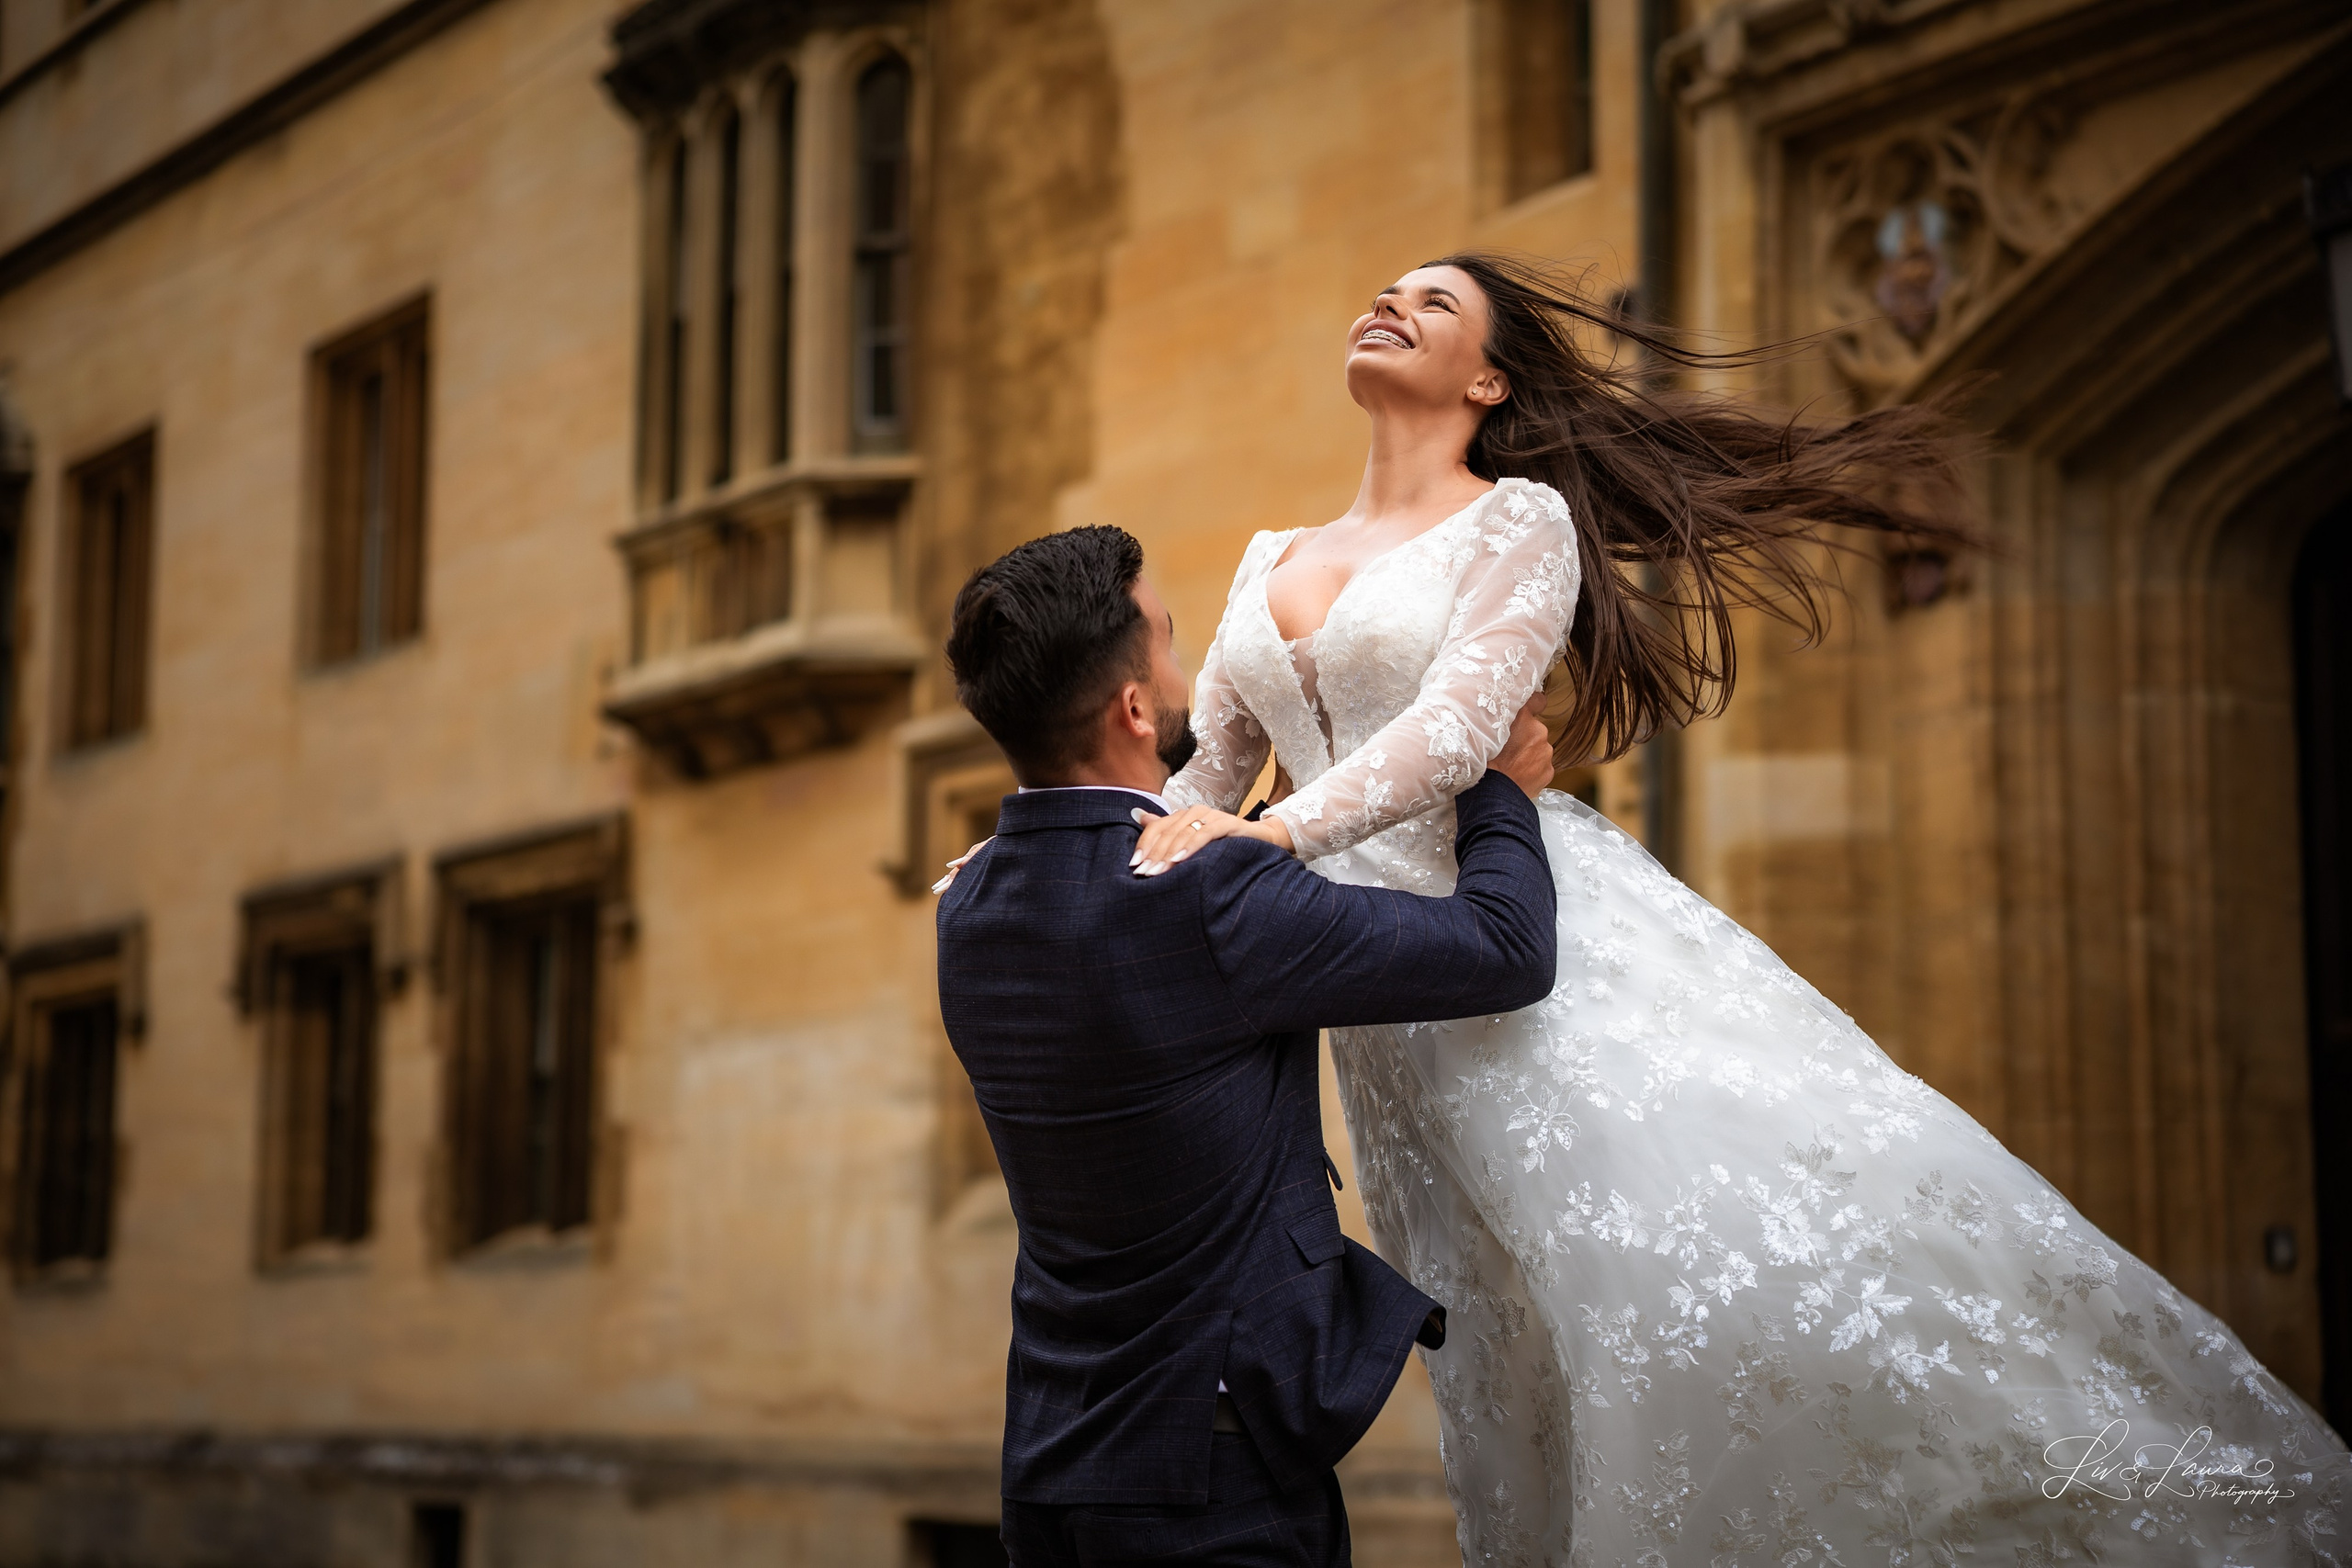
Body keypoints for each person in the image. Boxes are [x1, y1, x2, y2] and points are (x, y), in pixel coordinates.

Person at [1123, 252, 2351, 1564]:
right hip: (1380, 1010)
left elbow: (1461, 727)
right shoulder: (1270, 556)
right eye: (1385, 291)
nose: (1389, 304)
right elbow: (1202, 778)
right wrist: (1084, 849)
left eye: (1435, 304)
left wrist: (1270, 836)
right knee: (1510, 1339)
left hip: (1529, 943)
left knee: (1679, 1270)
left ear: (1489, 381)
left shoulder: (1517, 521)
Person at [935, 523, 1566, 1567]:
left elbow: (1159, 960)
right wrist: (1499, 790)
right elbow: (1506, 947)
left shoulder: (970, 900)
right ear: (1135, 710)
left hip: (1052, 1467)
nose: (1189, 669)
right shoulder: (1208, 900)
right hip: (1209, 1484)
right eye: (1170, 644)